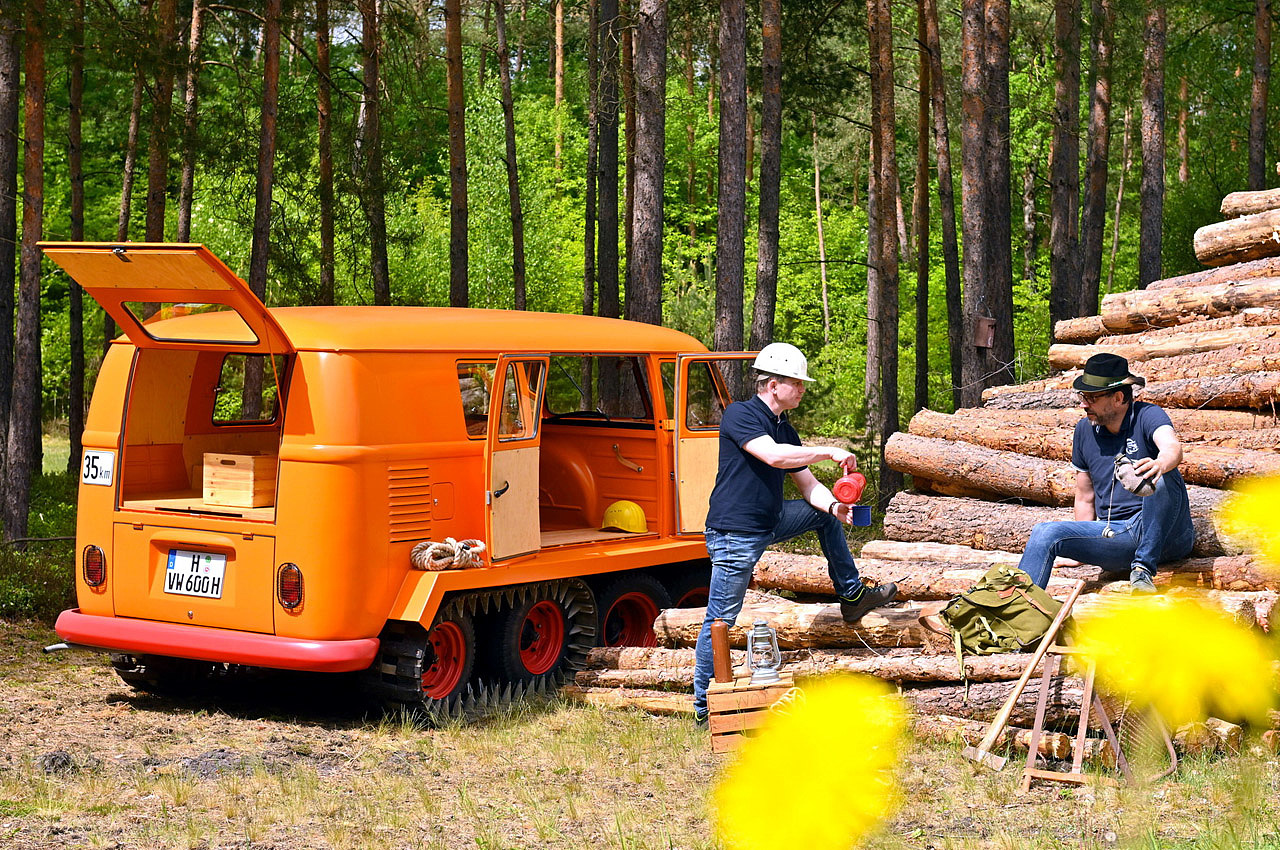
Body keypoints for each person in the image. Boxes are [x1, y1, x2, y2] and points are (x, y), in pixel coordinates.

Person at [692, 342, 897, 724]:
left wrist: (835, 507)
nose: (802, 389)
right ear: (772, 385)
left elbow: (807, 486)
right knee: (721, 619)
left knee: (823, 516)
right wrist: (829, 451)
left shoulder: (784, 427)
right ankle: (705, 707)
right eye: (796, 383)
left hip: (768, 521)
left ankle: (852, 595)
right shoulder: (741, 415)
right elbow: (773, 456)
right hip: (734, 532)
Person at [1017, 352, 1195, 594]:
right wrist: (1079, 546)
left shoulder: (1147, 415)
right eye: (1082, 396)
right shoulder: (1083, 430)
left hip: (1168, 536)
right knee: (1044, 532)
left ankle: (1143, 569)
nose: (1083, 404)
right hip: (1117, 535)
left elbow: (1172, 447)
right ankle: (1017, 610)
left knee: (1162, 476)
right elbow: (1084, 496)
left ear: (1118, 397)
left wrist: (1160, 463)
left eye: (1091, 397)